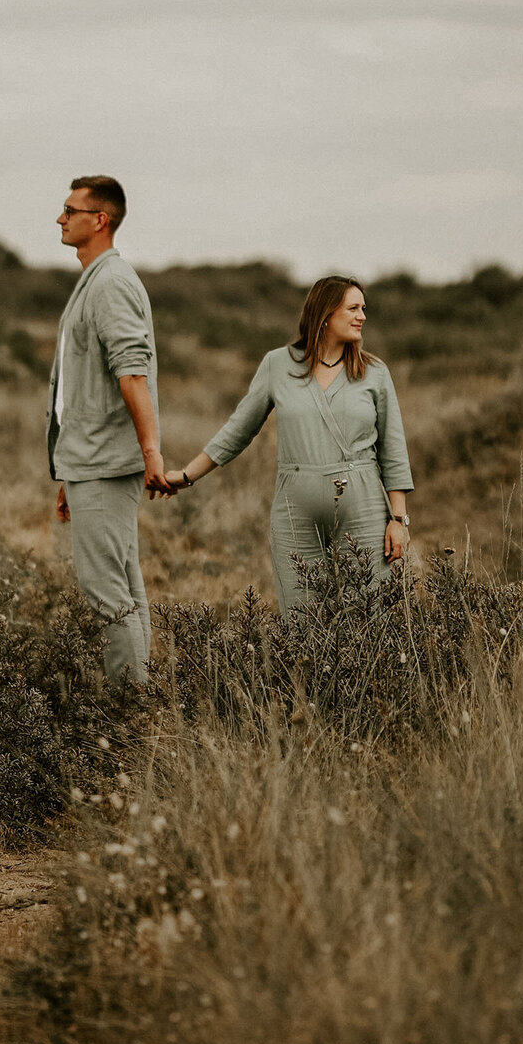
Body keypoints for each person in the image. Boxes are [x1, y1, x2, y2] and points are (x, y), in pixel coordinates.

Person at [159, 275, 413, 619]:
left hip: (365, 507)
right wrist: (187, 476)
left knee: (369, 621)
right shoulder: (277, 365)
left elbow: (393, 450)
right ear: (325, 314)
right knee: (302, 621)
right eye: (353, 308)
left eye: (363, 308)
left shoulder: (374, 372)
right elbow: (237, 430)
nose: (362, 316)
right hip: (296, 509)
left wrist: (398, 519)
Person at [48, 175, 166, 686]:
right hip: (89, 461)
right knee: (122, 584)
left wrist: (151, 452)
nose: (60, 217)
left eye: (71, 210)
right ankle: (142, 706)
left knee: (106, 593)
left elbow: (131, 370)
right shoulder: (96, 277)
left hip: (106, 462)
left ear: (101, 219)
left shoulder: (112, 282)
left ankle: (130, 711)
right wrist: (67, 470)